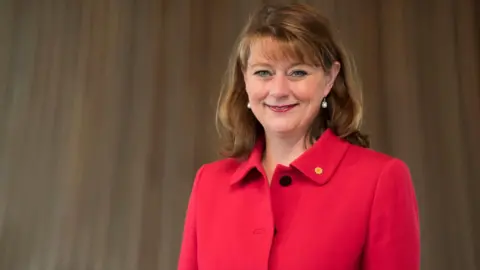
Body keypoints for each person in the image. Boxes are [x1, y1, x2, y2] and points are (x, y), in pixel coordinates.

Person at [178, 3, 420, 270]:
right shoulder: (209, 183)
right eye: (263, 73)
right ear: (245, 80)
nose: (279, 90)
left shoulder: (380, 180)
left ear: (329, 79)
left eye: (298, 72)